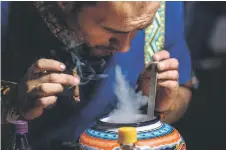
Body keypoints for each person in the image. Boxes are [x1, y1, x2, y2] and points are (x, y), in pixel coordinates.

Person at [1, 1, 193, 149]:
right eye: (112, 30)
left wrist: (163, 105)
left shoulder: (162, 8)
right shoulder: (8, 12)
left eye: (140, 29)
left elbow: (184, 91)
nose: (125, 47)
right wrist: (13, 102)